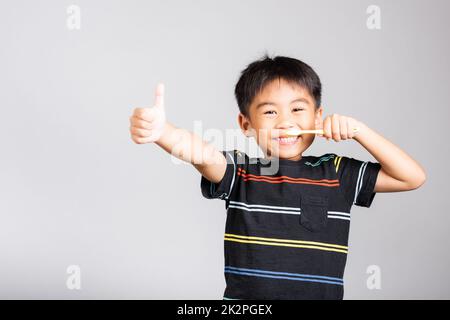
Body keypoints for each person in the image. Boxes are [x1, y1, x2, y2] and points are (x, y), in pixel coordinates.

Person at [129, 55, 426, 300]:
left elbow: (411, 178)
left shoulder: (338, 172)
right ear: (246, 124)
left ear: (317, 118)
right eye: (270, 112)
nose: (286, 122)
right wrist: (163, 133)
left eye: (298, 109)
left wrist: (361, 132)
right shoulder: (241, 171)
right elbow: (203, 154)